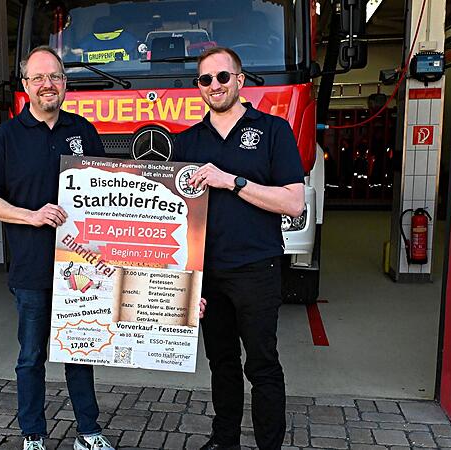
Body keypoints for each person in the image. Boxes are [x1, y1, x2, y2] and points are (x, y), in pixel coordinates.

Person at [0, 46, 115, 450]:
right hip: (32, 269)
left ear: (65, 84)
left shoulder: (83, 131)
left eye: (54, 77)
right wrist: (32, 216)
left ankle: (88, 432)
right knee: (31, 357)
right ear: (25, 86)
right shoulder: (5, 137)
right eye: (38, 78)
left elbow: (107, 191)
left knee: (79, 353)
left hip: (80, 267)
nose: (47, 85)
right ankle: (32, 433)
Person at [173, 47, 305, 450]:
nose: (215, 85)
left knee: (262, 365)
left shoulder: (273, 131)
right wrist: (185, 283)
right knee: (222, 364)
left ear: (240, 80)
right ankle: (224, 440)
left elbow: (293, 202)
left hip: (257, 268)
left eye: (223, 77)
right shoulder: (186, 142)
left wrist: (232, 181)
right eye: (205, 80)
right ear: (199, 88)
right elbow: (173, 221)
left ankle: (269, 445)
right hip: (208, 275)